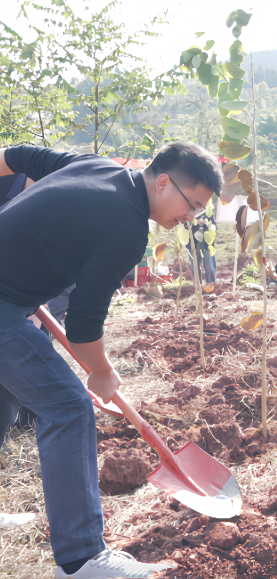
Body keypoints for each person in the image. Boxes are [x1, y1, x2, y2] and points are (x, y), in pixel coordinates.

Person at [0, 140, 223, 578]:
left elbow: (15, 155)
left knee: (4, 399)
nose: (191, 218)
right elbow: (83, 326)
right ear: (163, 183)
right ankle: (83, 559)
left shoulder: (95, 165)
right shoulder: (127, 228)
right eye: (192, 205)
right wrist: (102, 374)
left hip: (10, 300)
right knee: (67, 407)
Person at [190, 211, 217, 284]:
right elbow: (186, 226)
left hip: (207, 243)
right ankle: (198, 284)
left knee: (209, 264)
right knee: (195, 264)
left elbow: (214, 226)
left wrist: (208, 225)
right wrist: (194, 223)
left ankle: (210, 283)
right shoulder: (190, 212)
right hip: (194, 242)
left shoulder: (208, 213)